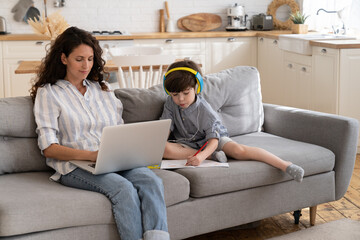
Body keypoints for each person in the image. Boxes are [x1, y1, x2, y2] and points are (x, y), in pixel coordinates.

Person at [30, 26, 170, 240]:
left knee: (152, 182)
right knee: (123, 189)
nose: (86, 65)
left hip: (115, 159)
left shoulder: (101, 88)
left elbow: (119, 128)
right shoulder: (49, 93)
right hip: (76, 166)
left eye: (90, 58)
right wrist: (93, 156)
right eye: (79, 59)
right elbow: (49, 149)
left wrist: (129, 149)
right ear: (64, 58)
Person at [160, 60, 305, 182]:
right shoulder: (170, 103)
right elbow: (165, 127)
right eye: (175, 94)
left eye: (186, 93)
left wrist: (201, 156)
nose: (180, 99)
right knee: (162, 147)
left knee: (238, 150)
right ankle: (213, 156)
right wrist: (158, 144)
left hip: (212, 140)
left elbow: (214, 140)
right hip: (187, 143)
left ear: (197, 87)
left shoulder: (204, 110)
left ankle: (285, 165)